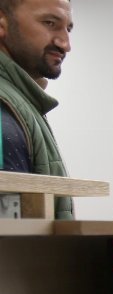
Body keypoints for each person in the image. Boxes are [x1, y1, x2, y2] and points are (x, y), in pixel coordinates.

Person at [0, 0, 73, 219]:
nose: (65, 44)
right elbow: (12, 242)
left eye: (68, 29)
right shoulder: (6, 114)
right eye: (50, 23)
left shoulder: (23, 103)